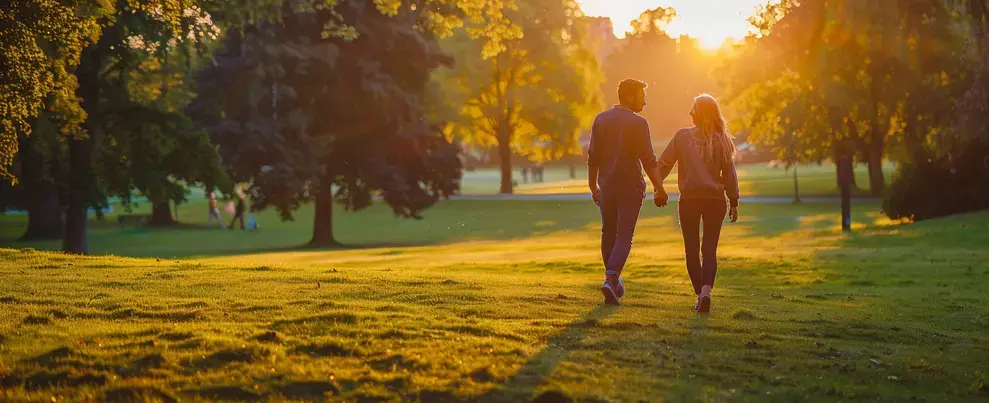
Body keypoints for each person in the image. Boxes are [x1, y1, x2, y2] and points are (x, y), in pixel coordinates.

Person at [657, 94, 740, 313]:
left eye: (693, 109)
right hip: (715, 201)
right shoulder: (723, 139)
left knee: (692, 250)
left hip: (690, 201)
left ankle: (699, 294)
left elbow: (664, 163)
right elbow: (730, 174)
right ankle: (705, 292)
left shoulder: (682, 137)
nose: (690, 113)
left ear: (699, 112)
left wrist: (658, 186)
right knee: (709, 249)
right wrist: (733, 201)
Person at [587, 78, 668, 306]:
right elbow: (649, 159)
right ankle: (611, 278)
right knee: (624, 235)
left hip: (607, 187)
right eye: (642, 95)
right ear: (630, 96)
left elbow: (593, 157)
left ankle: (612, 281)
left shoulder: (600, 120)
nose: (645, 101)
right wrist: (659, 188)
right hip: (630, 187)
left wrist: (594, 187)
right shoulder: (638, 123)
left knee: (608, 233)